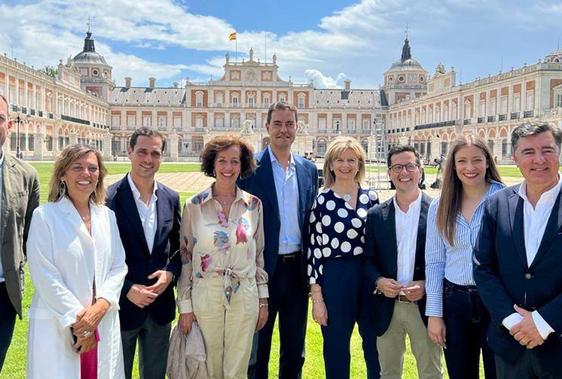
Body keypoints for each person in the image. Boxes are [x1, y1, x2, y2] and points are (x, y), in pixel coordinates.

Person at [26, 144, 127, 378]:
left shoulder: (107, 217)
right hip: (61, 324)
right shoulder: (45, 216)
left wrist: (101, 307)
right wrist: (82, 324)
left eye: (92, 168)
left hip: (102, 320)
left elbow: (118, 266)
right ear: (62, 174)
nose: (86, 174)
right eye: (77, 167)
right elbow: (44, 276)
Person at [474, 122, 562, 379]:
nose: (539, 160)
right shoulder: (497, 204)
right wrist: (513, 322)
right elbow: (483, 268)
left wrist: (542, 322)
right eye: (528, 152)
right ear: (514, 158)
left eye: (547, 150)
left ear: (559, 152)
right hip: (511, 344)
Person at [177, 135, 269, 379]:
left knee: (237, 368)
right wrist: (185, 306)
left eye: (235, 162)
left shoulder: (254, 205)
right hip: (206, 293)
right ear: (212, 164)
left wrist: (263, 300)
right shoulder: (193, 206)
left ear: (243, 165)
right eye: (222, 161)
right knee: (208, 367)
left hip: (245, 292)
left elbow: (258, 257)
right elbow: (186, 260)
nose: (228, 168)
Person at [238, 102, 318, 379]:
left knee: (295, 348)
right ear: (268, 127)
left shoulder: (308, 169)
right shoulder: (250, 169)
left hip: (297, 269)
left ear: (297, 127)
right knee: (258, 347)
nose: (284, 130)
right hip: (262, 270)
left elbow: (311, 221)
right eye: (278, 124)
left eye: (289, 124)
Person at [425, 135, 503, 379]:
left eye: (476, 160)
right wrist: (435, 314)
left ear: (488, 162)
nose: (470, 168)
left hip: (496, 300)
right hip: (455, 301)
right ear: (453, 165)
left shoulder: (506, 199)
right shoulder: (440, 206)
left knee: (498, 372)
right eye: (462, 161)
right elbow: (435, 262)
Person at [106, 127, 181, 379]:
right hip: (122, 305)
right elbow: (99, 258)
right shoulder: (108, 199)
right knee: (118, 373)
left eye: (155, 153)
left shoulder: (171, 197)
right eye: (142, 152)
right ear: (130, 152)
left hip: (160, 306)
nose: (148, 159)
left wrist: (170, 274)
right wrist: (128, 288)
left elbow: (178, 249)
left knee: (155, 374)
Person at [364, 145, 441, 379]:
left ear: (420, 170)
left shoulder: (438, 211)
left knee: (430, 372)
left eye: (410, 166)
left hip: (425, 307)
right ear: (389, 173)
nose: (403, 172)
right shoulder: (376, 215)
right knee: (388, 373)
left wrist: (427, 285)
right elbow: (367, 259)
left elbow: (448, 260)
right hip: (388, 306)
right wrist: (378, 281)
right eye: (397, 167)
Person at [307, 136, 380, 379]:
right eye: (340, 160)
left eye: (351, 160)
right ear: (330, 164)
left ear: (360, 164)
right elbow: (314, 250)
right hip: (336, 276)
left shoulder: (372, 197)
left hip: (368, 275)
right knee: (337, 346)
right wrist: (317, 297)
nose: (346, 165)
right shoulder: (322, 201)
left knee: (374, 343)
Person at [0, 95, 40, 372]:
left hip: (4, 293)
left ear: (9, 124)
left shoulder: (26, 174)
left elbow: (30, 234)